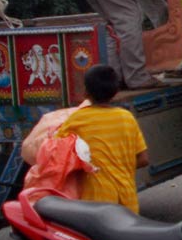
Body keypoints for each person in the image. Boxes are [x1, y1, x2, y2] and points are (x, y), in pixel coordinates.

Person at [56, 65, 149, 212]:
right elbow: (143, 159)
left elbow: (56, 157)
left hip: (96, 206)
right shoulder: (127, 118)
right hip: (128, 203)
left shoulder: (76, 120)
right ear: (115, 91)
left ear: (86, 92)